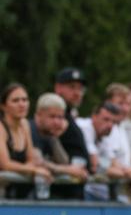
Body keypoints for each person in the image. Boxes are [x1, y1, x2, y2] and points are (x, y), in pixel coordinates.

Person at [29, 93, 90, 195]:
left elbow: (64, 161)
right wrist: (69, 170)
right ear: (39, 115)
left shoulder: (49, 134)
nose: (57, 122)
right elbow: (38, 162)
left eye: (60, 117)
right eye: (52, 117)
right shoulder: (30, 130)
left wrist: (54, 139)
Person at [0, 83, 51, 198]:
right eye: (15, 100)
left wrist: (31, 168)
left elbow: (30, 159)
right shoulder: (1, 128)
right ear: (3, 106)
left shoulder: (25, 125)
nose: (22, 104)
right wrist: (34, 170)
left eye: (25, 100)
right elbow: (5, 164)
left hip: (17, 191)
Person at [52, 68, 90, 200]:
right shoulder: (53, 116)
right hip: (58, 193)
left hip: (75, 190)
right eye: (72, 87)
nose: (77, 93)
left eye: (80, 89)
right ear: (58, 88)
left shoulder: (71, 117)